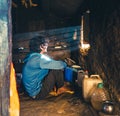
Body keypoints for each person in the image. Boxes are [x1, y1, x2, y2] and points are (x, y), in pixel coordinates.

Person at [22, 35, 71, 100]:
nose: (47, 46)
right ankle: (60, 88)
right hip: (37, 94)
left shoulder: (32, 57)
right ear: (41, 46)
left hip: (30, 91)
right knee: (55, 69)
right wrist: (66, 63)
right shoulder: (38, 59)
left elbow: (49, 62)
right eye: (46, 44)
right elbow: (59, 65)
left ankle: (57, 87)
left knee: (51, 67)